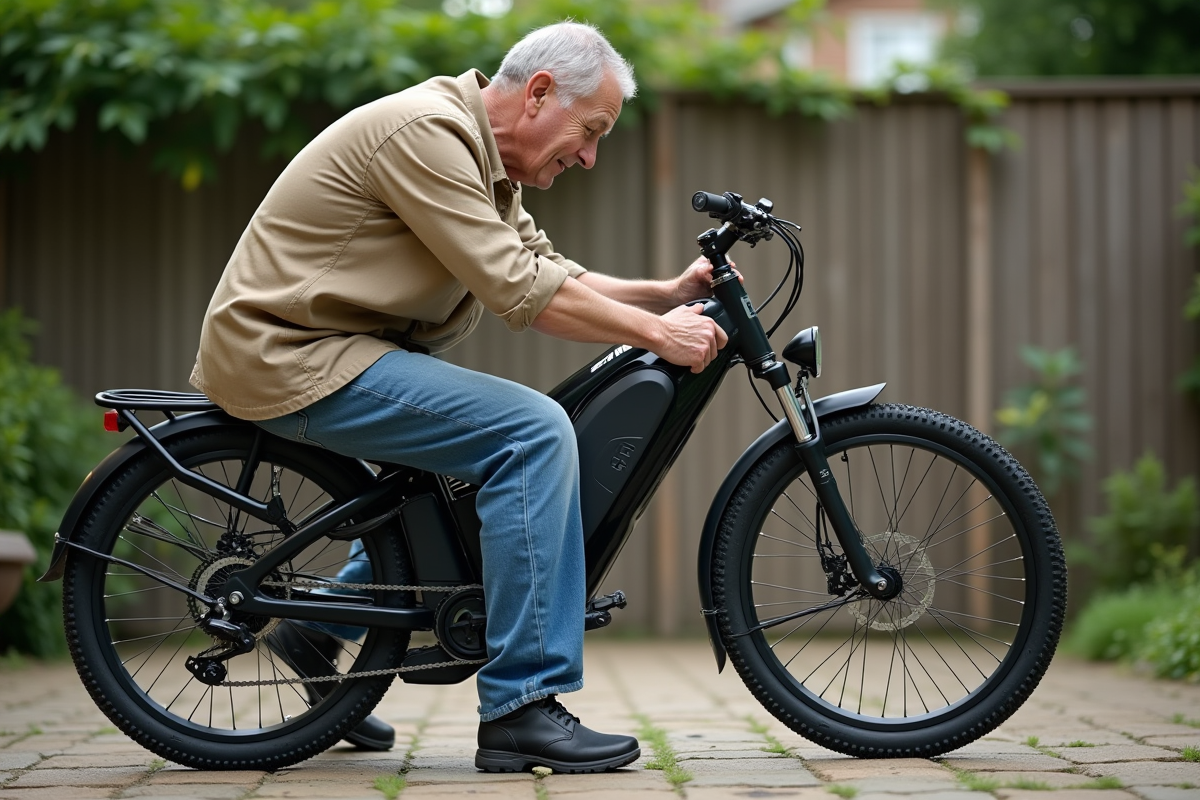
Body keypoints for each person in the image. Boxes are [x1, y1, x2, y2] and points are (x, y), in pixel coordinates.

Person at [191, 21, 727, 774]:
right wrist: (655, 333)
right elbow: (518, 289)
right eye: (590, 130)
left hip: (338, 348)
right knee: (533, 433)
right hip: (289, 354)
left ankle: (312, 633)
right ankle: (521, 705)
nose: (590, 155)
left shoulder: (480, 154)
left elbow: (543, 263)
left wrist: (663, 294)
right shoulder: (427, 134)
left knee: (446, 486)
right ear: (539, 92)